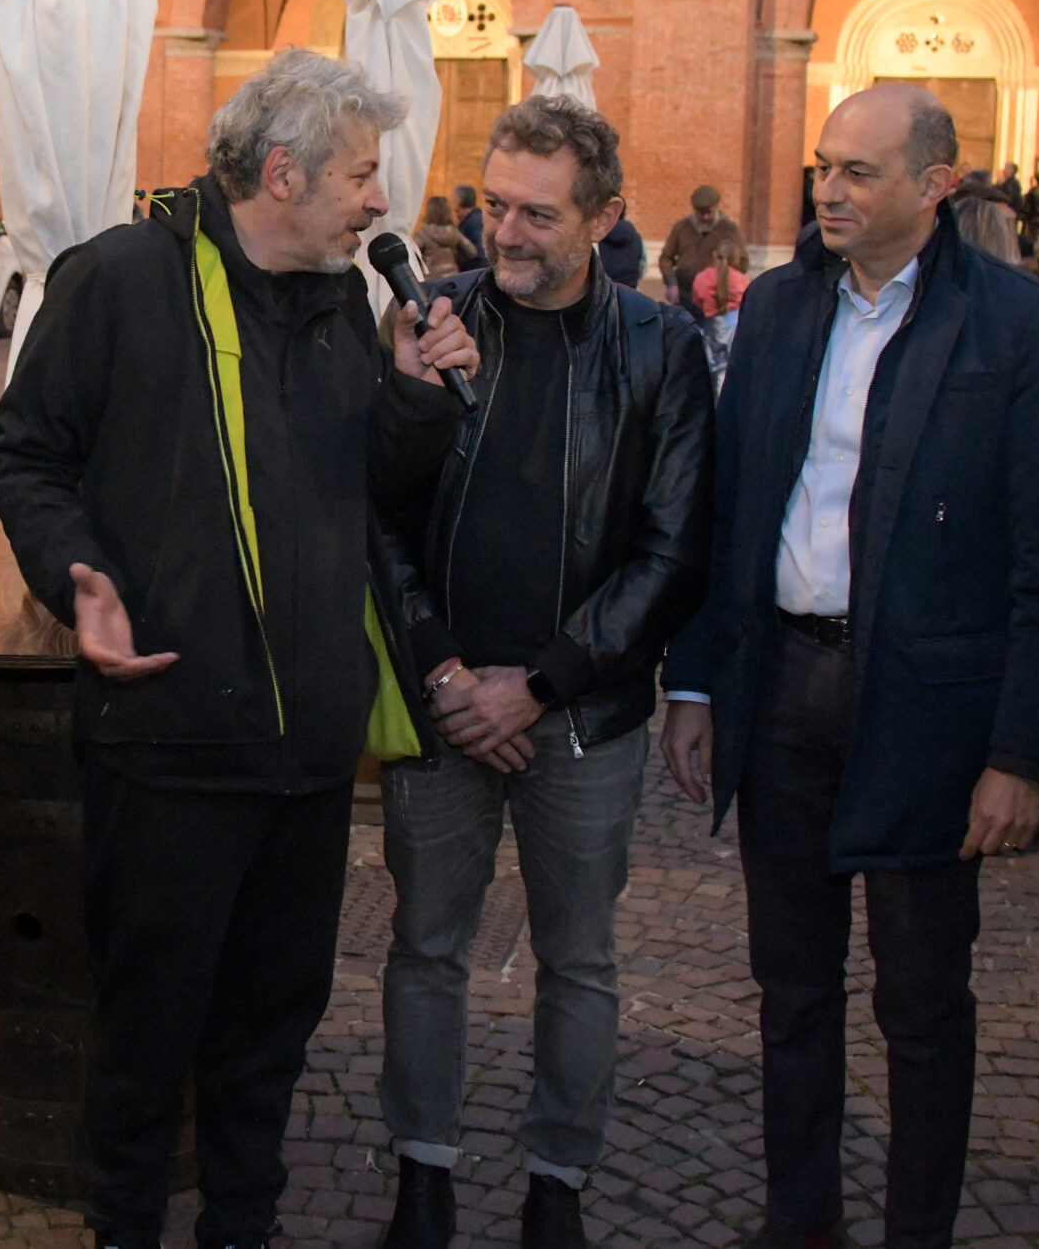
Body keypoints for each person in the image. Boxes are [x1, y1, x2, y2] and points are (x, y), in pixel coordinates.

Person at [0, 49, 477, 1249]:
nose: (380, 202)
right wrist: (75, 571)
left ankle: (242, 1227)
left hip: (307, 755)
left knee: (270, 1030)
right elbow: (24, 452)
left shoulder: (340, 307)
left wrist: (415, 398)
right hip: (168, 747)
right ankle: (125, 1230)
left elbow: (366, 496)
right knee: (147, 1033)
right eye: (360, 175)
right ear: (282, 173)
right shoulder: (119, 278)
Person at [662, 83, 1039, 1249]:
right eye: (822, 166)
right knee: (791, 988)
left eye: (857, 171)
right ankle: (799, 1221)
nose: (828, 190)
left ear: (934, 185)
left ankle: (917, 1233)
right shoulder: (781, 307)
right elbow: (726, 510)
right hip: (782, 687)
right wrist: (695, 684)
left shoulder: (1017, 326)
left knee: (922, 1001)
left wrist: (1018, 754)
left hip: (927, 713)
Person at [374, 98, 713, 1249]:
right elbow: (376, 516)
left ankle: (556, 1180)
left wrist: (543, 682)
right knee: (426, 948)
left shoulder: (661, 349)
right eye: (492, 206)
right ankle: (422, 1171)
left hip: (583, 717)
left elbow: (673, 549)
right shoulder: (431, 321)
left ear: (604, 217)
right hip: (442, 707)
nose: (504, 234)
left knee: (578, 961)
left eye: (536, 214)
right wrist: (441, 668)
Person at [660, 186, 741, 308]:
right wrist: (671, 284)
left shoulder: (729, 229)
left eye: (709, 212)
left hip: (715, 298)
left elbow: (742, 261)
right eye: (701, 213)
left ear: (716, 208)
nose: (705, 217)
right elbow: (666, 258)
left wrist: (724, 283)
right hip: (685, 294)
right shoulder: (682, 227)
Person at [692, 252, 752, 388]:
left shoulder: (703, 277)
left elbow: (697, 301)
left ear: (715, 256)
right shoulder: (741, 279)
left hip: (712, 325)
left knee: (713, 366)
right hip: (734, 325)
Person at [416, 193, 478, 279]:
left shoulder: (423, 232)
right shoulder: (454, 231)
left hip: (431, 279)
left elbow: (412, 256)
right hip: (452, 278)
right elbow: (472, 252)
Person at [595, 198, 645, 292]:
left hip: (604, 290)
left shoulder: (596, 235)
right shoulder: (635, 234)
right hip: (630, 289)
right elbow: (643, 264)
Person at [456, 182, 488, 268]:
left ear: (459, 202)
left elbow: (480, 253)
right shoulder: (477, 218)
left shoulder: (473, 223)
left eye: (455, 200)